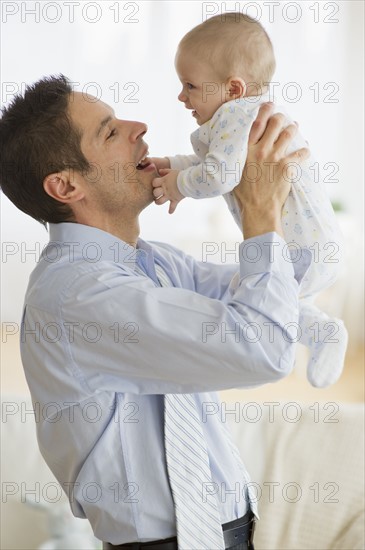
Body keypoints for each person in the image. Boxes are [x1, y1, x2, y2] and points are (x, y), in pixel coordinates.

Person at [0, 74, 310, 550]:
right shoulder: (78, 293)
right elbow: (263, 349)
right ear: (66, 185)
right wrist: (259, 213)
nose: (138, 126)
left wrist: (257, 183)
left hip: (231, 533)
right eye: (109, 131)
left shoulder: (156, 262)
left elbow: (286, 288)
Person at [151, 12, 348, 389]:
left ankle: (321, 332)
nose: (181, 96)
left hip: (302, 246)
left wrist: (178, 185)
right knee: (249, 292)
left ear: (234, 88)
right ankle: (321, 331)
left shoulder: (236, 117)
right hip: (314, 245)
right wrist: (172, 167)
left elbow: (219, 175)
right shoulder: (240, 117)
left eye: (190, 85)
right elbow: (217, 163)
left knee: (261, 303)